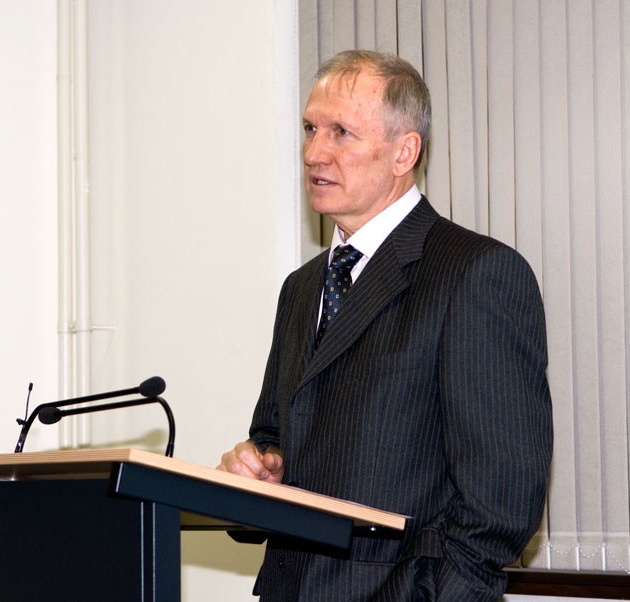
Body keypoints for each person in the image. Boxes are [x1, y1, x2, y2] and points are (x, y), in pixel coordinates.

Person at [217, 49, 553, 602]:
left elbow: (501, 503)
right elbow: (277, 435)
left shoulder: (474, 273)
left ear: (404, 152)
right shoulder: (302, 288)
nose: (314, 152)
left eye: (341, 132)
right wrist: (259, 467)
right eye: (310, 128)